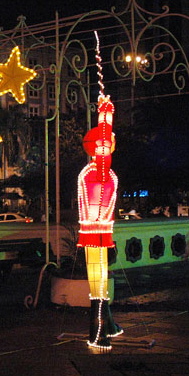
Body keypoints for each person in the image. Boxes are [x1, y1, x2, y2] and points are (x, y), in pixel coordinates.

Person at [77, 93, 123, 351]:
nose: (111, 142)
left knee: (101, 281)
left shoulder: (95, 172)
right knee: (98, 284)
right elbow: (104, 140)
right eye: (106, 141)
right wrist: (105, 114)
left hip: (99, 234)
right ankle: (97, 333)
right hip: (95, 236)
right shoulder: (97, 173)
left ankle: (109, 325)